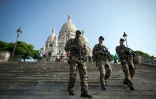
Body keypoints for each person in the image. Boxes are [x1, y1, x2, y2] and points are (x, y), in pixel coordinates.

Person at [64, 30, 93, 98]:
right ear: (75, 34)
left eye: (79, 34)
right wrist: (73, 47)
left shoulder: (81, 43)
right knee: (73, 75)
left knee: (84, 76)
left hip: (81, 59)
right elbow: (66, 48)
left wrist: (84, 51)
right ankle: (71, 89)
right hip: (74, 59)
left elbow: (86, 51)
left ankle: (84, 91)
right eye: (77, 33)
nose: (78, 34)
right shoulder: (71, 41)